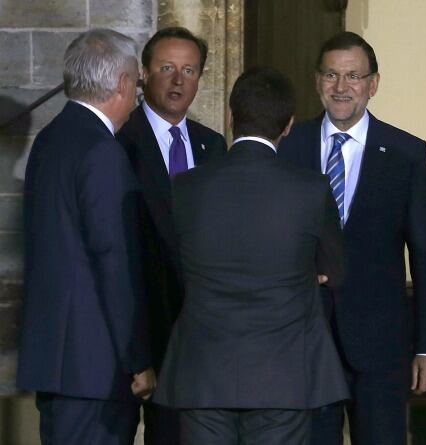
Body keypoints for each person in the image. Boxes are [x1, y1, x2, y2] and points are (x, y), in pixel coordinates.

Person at [152, 67, 349, 445]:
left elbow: (174, 264)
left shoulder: (186, 187)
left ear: (230, 118)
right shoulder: (310, 189)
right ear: (288, 125)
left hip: (203, 374)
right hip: (284, 376)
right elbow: (336, 269)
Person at [278, 31, 426, 445]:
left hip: (381, 345)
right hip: (303, 341)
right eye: (332, 75)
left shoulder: (407, 153)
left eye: (353, 77)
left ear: (373, 84)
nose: (341, 87)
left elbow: (425, 255)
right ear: (317, 80)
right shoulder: (288, 146)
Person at [17, 28, 155, 445]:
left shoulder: (50, 138)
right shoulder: (102, 152)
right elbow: (113, 260)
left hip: (60, 365)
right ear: (122, 83)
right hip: (94, 368)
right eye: (139, 81)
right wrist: (139, 359)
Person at [116, 26, 227, 444]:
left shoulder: (212, 147)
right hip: (137, 335)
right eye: (167, 68)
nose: (179, 80)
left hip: (199, 339)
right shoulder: (119, 142)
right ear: (144, 74)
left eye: (189, 70)